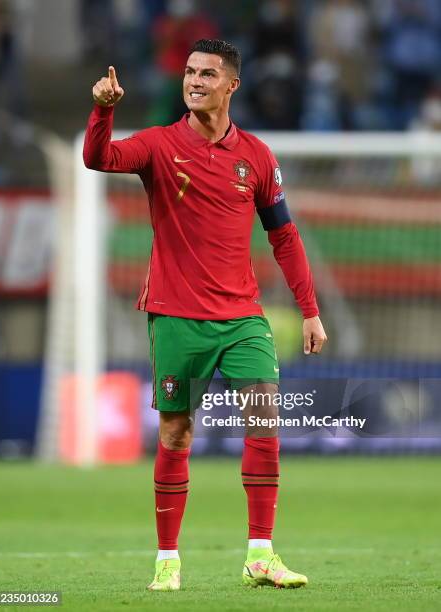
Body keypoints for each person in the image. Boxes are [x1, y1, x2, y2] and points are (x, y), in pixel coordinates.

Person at [83, 39, 327, 592]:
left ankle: (260, 554)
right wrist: (104, 109)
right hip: (176, 316)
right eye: (189, 72)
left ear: (231, 85)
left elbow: (284, 236)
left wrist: (310, 311)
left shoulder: (258, 158)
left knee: (264, 423)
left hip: (243, 317)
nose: (194, 81)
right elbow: (99, 158)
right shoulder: (159, 146)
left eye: (207, 74)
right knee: (176, 432)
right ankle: (167, 560)